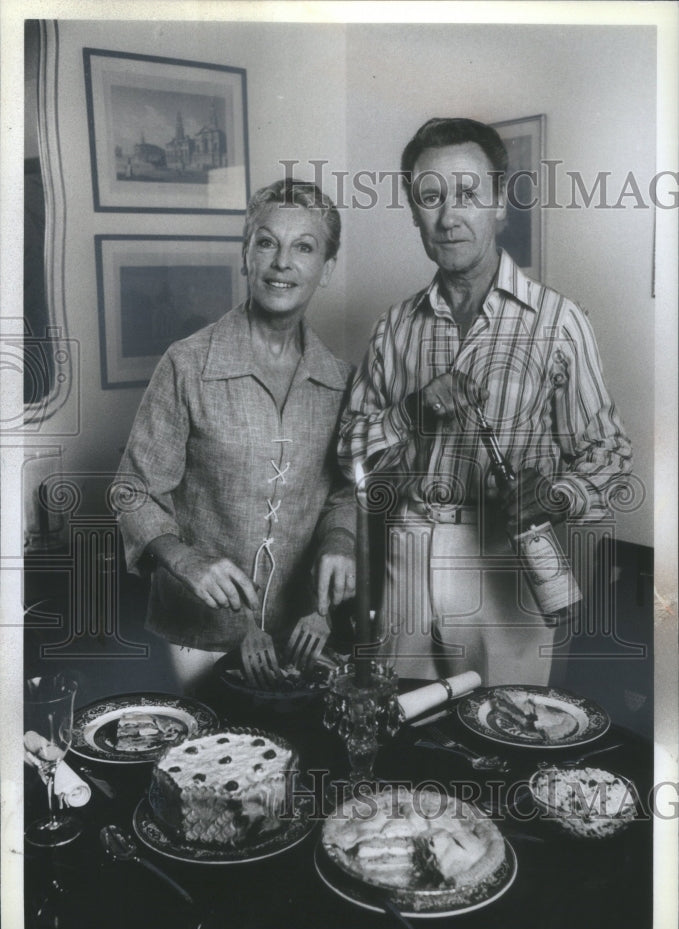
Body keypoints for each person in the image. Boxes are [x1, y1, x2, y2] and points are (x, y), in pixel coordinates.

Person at [338, 118, 632, 686]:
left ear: (501, 202)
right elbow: (346, 452)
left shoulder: (559, 323)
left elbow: (610, 455)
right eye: (430, 197)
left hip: (509, 564)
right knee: (405, 735)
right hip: (409, 560)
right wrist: (412, 412)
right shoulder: (393, 329)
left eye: (469, 193)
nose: (449, 217)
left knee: (511, 732)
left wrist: (555, 494)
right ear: (413, 211)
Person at [116, 179, 356, 694]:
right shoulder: (187, 364)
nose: (282, 263)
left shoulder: (340, 380)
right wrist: (185, 560)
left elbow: (345, 490)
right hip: (196, 629)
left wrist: (340, 538)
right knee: (206, 759)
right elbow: (133, 491)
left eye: (304, 247)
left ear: (326, 269)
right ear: (246, 256)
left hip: (299, 629)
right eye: (267, 242)